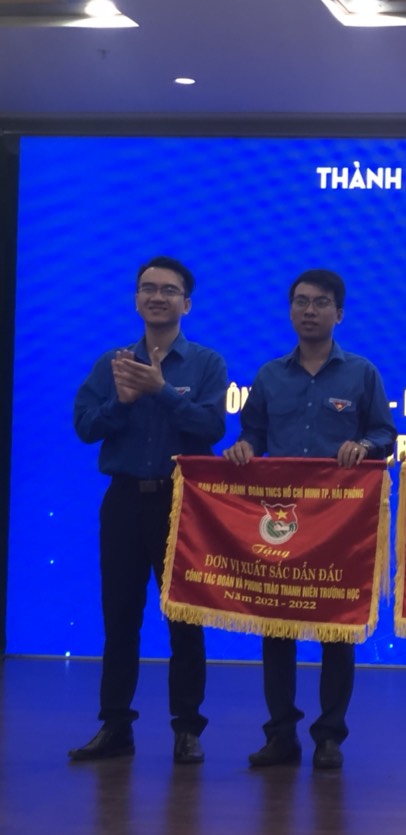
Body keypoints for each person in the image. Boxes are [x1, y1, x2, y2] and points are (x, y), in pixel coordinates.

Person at [224, 269, 395, 771]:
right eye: (301, 302)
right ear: (290, 310)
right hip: (282, 522)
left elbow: (385, 434)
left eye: (321, 303)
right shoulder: (270, 375)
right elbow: (253, 433)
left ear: (338, 313)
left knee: (336, 630)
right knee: (277, 629)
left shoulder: (361, 373)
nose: (309, 311)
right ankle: (281, 734)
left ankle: (329, 737)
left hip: (339, 523)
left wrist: (363, 445)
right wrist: (244, 448)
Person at [70, 256, 228, 765]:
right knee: (120, 617)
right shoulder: (112, 363)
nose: (157, 297)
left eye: (168, 290)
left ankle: (187, 728)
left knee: (185, 619)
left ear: (187, 303)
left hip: (181, 504)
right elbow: (85, 427)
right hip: (122, 502)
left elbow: (211, 428)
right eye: (147, 288)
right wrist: (121, 401)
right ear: (136, 299)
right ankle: (115, 725)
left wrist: (161, 393)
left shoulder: (206, 364)